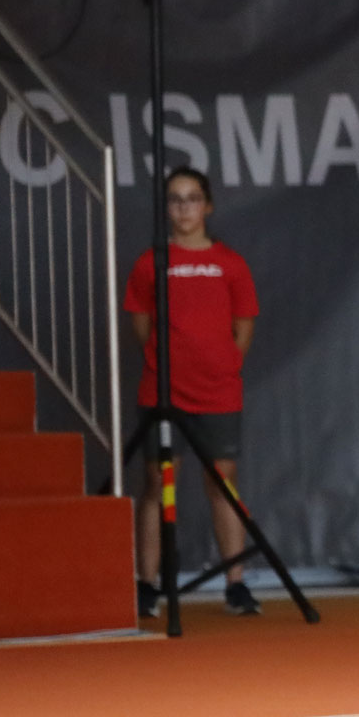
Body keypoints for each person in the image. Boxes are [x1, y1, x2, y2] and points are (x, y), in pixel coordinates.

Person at [124, 167, 261, 618]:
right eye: (175, 199)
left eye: (192, 198)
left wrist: (221, 367)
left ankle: (236, 584)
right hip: (162, 394)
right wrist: (167, 366)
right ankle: (147, 584)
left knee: (223, 483)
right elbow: (142, 325)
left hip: (217, 394)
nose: (184, 207)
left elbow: (244, 326)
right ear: (167, 209)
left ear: (208, 205)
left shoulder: (231, 263)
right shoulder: (150, 263)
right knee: (156, 485)